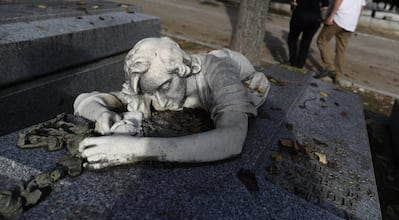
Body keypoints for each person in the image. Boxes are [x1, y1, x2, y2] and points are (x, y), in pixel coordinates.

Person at [74, 37, 270, 169]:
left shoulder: (219, 73)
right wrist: (100, 113)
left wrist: (134, 149)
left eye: (165, 86)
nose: (159, 101)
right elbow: (84, 100)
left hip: (236, 69)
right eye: (152, 92)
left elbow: (232, 140)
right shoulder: (154, 83)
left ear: (181, 69)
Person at [315, 0, 366, 83]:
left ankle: (330, 68)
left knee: (322, 40)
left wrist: (331, 16)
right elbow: (362, 6)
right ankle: (337, 77)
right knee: (341, 49)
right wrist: (355, 21)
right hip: (351, 23)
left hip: (339, 17)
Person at [288, 0, 329, 69]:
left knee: (292, 38)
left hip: (300, 15)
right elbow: (325, 6)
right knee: (306, 43)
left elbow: (294, 1)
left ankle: (293, 61)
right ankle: (300, 65)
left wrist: (293, 9)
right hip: (314, 18)